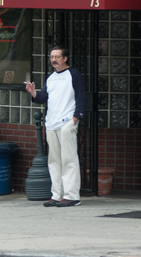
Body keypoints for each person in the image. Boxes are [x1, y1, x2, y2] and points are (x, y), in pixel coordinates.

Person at [25, 46, 87, 207]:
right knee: (54, 161)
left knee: (69, 159)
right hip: (51, 123)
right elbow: (43, 97)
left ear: (65, 58)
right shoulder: (51, 77)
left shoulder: (74, 75)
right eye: (52, 57)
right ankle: (57, 195)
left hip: (67, 122)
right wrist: (33, 92)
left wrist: (75, 118)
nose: (54, 60)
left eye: (57, 57)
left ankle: (72, 196)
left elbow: (81, 97)